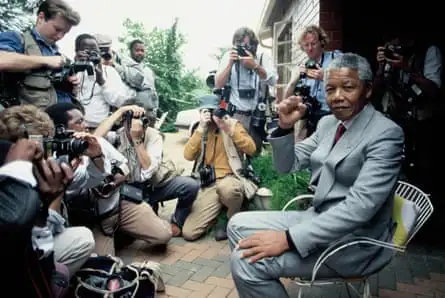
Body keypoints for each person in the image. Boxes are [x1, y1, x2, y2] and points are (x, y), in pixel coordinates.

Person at [227, 53, 404, 298]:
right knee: (236, 224)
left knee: (245, 262)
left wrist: (288, 240)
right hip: (318, 218)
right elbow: (287, 165)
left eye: (348, 87)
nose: (337, 96)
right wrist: (285, 128)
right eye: (330, 89)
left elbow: (359, 208)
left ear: (367, 89)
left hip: (354, 243)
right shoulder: (328, 124)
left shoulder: (385, 134)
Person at [94, 102, 199, 242]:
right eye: (131, 122)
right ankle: (148, 213)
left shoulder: (154, 136)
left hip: (154, 186)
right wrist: (120, 111)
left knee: (190, 185)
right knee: (127, 239)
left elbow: (147, 172)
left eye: (141, 122)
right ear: (124, 123)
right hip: (129, 190)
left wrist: (137, 140)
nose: (137, 127)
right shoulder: (117, 136)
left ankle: (177, 222)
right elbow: (94, 140)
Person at [182, 95, 257, 241]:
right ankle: (218, 211)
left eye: (213, 110)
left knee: (227, 189)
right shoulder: (200, 129)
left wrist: (228, 129)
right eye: (206, 111)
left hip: (231, 178)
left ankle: (230, 218)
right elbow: (188, 156)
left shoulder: (233, 125)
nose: (210, 114)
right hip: (209, 184)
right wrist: (200, 129)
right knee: (189, 233)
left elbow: (251, 149)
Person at [0, 0, 81, 108]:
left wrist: (68, 83)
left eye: (65, 33)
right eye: (57, 29)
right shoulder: (16, 39)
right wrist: (47, 61)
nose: (60, 36)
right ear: (41, 18)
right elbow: (2, 60)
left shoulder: (58, 53)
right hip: (29, 119)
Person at [214, 27, 277, 155]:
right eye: (240, 47)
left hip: (257, 117)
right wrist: (230, 64)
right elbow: (218, 84)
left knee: (254, 152)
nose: (243, 51)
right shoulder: (229, 57)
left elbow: (273, 81)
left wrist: (255, 66)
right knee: (233, 155)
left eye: (247, 47)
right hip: (235, 115)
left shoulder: (262, 58)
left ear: (255, 47)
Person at [284, 25, 342, 138]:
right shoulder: (303, 67)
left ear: (321, 42)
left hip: (333, 119)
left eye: (313, 43)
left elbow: (353, 81)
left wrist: (326, 77)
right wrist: (294, 80)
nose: (310, 48)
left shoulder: (336, 57)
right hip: (311, 122)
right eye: (306, 45)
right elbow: (287, 99)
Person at [74, 34, 135, 129]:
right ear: (77, 51)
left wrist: (102, 81)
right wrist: (74, 69)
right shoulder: (71, 70)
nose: (91, 54)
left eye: (94, 51)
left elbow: (120, 101)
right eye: (86, 51)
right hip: (75, 129)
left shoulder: (110, 71)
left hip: (100, 128)